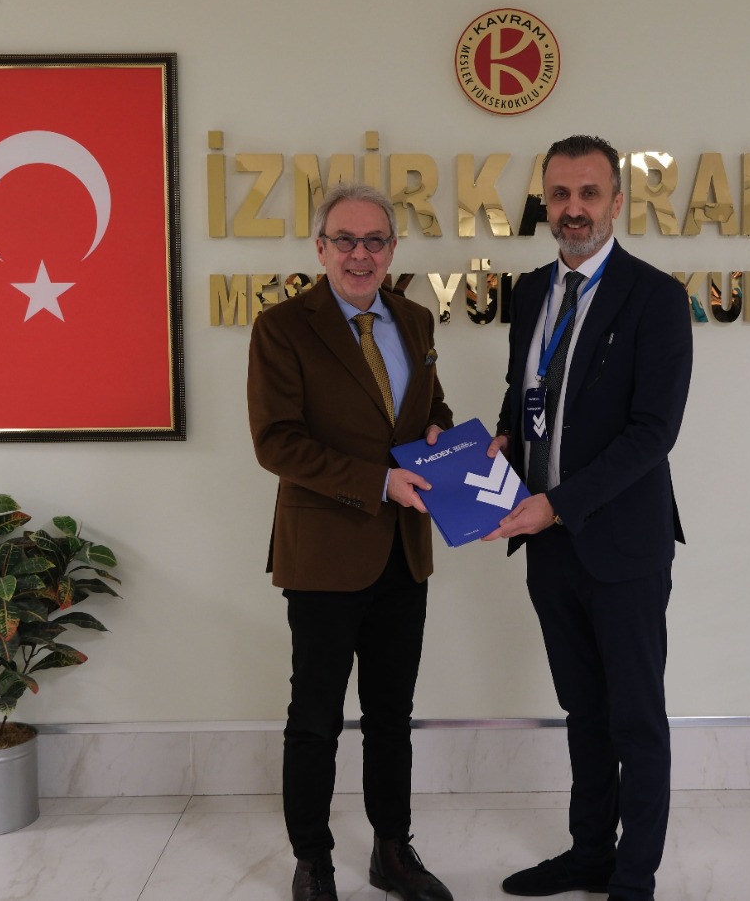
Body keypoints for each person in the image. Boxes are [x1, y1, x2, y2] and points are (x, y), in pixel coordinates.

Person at [483, 134, 693, 901]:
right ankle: (589, 854)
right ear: (546, 202)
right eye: (561, 194)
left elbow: (652, 433)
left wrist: (558, 504)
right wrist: (502, 442)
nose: (574, 209)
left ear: (616, 203)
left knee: (635, 718)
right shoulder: (531, 292)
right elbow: (527, 395)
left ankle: (633, 880)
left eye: (589, 194)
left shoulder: (656, 297)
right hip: (549, 547)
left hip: (623, 546)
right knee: (583, 711)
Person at [248, 184, 455, 901]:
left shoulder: (416, 319)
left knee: (392, 717)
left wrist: (438, 433)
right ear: (321, 248)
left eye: (374, 241)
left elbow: (429, 407)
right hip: (324, 555)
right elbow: (276, 442)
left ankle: (392, 852)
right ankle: (313, 859)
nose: (360, 254)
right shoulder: (282, 328)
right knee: (316, 720)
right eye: (345, 240)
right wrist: (378, 483)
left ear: (392, 249)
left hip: (406, 551)